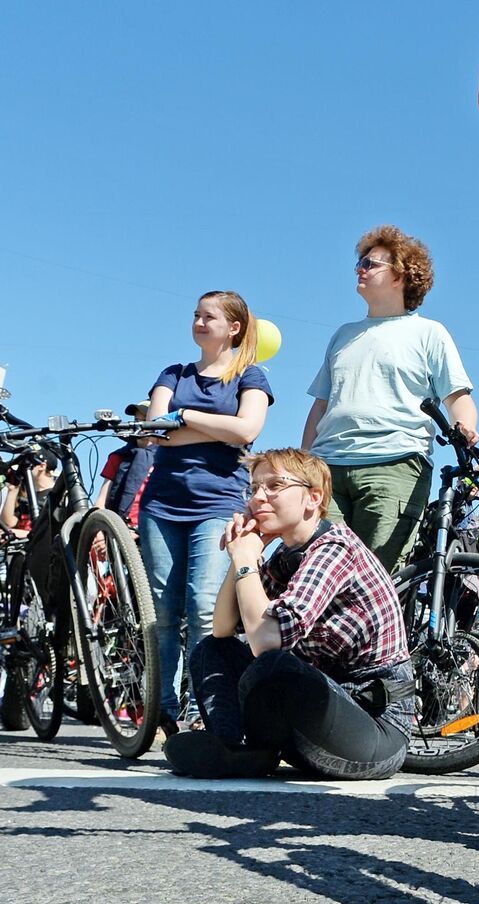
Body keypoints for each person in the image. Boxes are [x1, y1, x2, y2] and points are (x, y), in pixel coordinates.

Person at [165, 449, 414, 780]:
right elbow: (224, 629)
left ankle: (244, 755)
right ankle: (236, 749)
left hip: (374, 728)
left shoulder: (334, 549)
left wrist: (244, 561)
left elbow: (266, 641)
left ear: (313, 498)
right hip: (316, 715)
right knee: (211, 650)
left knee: (274, 665)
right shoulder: (287, 554)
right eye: (253, 488)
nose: (258, 497)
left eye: (275, 485)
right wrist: (242, 553)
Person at [301, 226, 478, 574]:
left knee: (376, 579)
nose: (359, 269)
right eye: (360, 262)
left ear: (400, 275)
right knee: (318, 574)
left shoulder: (429, 333)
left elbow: (457, 396)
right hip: (328, 469)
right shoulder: (343, 335)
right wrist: (303, 465)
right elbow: (321, 405)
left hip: (394, 466)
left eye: (370, 263)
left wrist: (466, 427)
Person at [139, 291, 274, 733]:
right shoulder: (172, 373)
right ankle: (161, 708)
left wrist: (186, 416)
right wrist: (212, 428)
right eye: (195, 314)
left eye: (208, 316)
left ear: (234, 327)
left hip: (217, 503)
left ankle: (203, 709)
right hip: (162, 502)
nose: (198, 322)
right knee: (161, 611)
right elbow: (153, 433)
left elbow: (247, 430)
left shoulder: (250, 376)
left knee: (202, 607)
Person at [95, 402, 156, 529]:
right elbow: (101, 501)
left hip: (152, 527)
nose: (139, 424)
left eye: (145, 420)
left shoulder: (166, 458)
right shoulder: (118, 457)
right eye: (136, 420)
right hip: (120, 530)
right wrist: (99, 531)